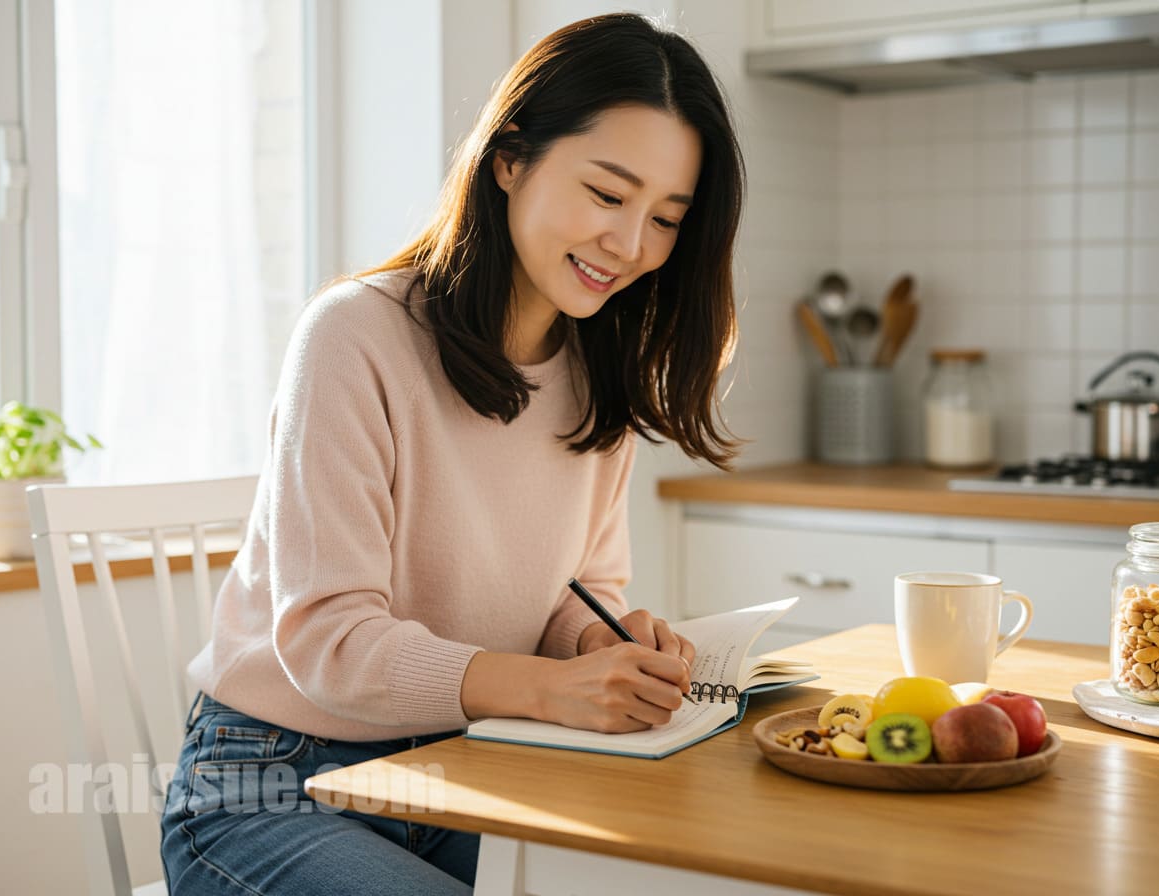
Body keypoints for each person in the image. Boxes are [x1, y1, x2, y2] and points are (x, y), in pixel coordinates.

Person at [160, 11, 744, 895]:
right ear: (510, 158)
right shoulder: (355, 336)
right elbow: (328, 642)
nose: (631, 246)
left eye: (666, 218)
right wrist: (550, 690)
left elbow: (573, 593)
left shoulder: (599, 377)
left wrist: (598, 641)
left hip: (467, 768)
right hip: (273, 781)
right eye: (607, 195)